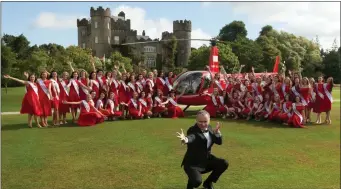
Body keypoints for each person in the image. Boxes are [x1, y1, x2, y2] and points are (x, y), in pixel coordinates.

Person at [176, 110, 229, 189]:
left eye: (205, 121)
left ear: (209, 120)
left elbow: (219, 142)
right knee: (196, 182)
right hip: (192, 164)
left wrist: (217, 133)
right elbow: (192, 137)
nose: (203, 124)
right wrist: (185, 139)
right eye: (200, 122)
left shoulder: (210, 128)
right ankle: (191, 183)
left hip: (206, 160)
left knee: (223, 163)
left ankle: (208, 183)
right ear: (196, 120)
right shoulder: (192, 130)